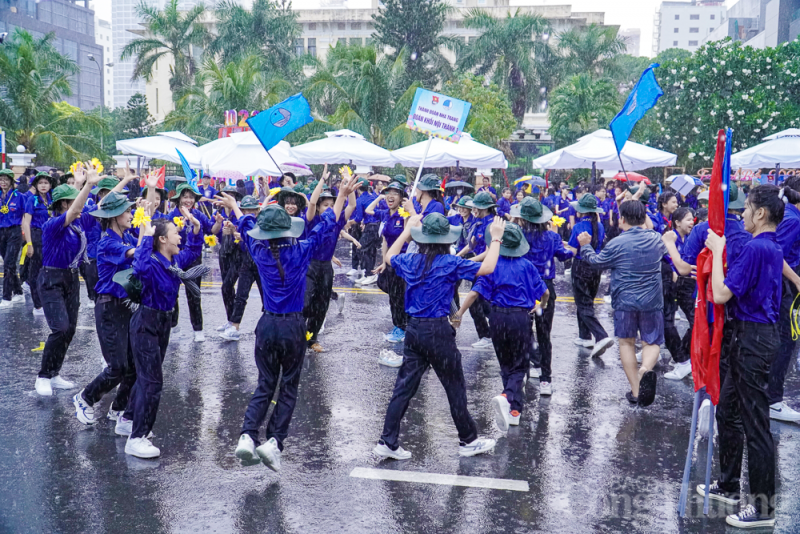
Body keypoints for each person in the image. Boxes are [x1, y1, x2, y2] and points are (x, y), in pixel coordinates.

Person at [219, 177, 358, 472]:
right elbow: (326, 225)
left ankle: (247, 434)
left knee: (265, 384)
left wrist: (233, 204)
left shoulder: (257, 249)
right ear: (288, 228)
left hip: (266, 325)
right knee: (289, 387)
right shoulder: (301, 250)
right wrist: (343, 195)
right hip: (293, 327)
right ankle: (274, 443)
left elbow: (245, 225)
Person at [373, 212, 505, 461]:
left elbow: (389, 257)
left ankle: (387, 441)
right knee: (454, 387)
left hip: (413, 330)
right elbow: (488, 267)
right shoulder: (449, 262)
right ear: (447, 239)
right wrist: (496, 239)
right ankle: (468, 440)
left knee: (403, 388)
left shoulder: (411, 260)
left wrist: (406, 231)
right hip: (437, 331)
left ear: (420, 239)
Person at [700, 184, 785, 529]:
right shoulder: (769, 247)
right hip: (751, 337)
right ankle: (729, 482)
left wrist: (719, 248)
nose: (743, 214)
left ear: (761, 213)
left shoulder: (756, 248)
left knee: (755, 424)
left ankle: (763, 508)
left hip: (753, 339)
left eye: (748, 208)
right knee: (729, 410)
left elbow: (720, 293)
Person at [120, 204, 206, 458]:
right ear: (162, 239)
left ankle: (127, 419)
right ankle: (137, 438)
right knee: (153, 382)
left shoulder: (174, 259)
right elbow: (140, 267)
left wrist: (197, 230)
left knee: (147, 377)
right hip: (146, 322)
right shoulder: (152, 262)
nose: (180, 236)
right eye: (175, 233)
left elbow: (193, 251)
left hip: (163, 324)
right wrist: (146, 236)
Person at [456, 223, 549, 430]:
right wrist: (541, 306)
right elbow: (545, 293)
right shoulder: (527, 266)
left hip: (497, 318)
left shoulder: (493, 265)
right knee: (520, 366)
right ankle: (508, 396)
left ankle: (514, 411)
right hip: (520, 318)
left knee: (506, 364)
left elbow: (474, 293)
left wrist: (459, 313)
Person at [578, 199, 666, 407]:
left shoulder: (616, 243)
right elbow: (652, 231)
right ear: (644, 218)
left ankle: (636, 390)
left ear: (622, 219)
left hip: (624, 301)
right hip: (651, 300)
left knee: (626, 342)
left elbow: (597, 263)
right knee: (651, 342)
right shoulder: (656, 239)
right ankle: (645, 368)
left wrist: (585, 246)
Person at [71, 190, 143, 425]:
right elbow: (139, 253)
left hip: (126, 307)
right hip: (109, 309)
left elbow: (140, 248)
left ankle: (119, 409)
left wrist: (146, 216)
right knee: (117, 367)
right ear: (114, 216)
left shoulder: (125, 238)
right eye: (128, 211)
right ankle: (85, 398)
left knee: (133, 365)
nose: (131, 215)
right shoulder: (107, 243)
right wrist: (148, 227)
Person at [34, 166, 103, 396]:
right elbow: (73, 210)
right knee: (60, 327)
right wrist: (87, 186)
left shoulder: (79, 223)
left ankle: (54, 374)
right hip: (51, 279)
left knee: (70, 330)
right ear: (63, 205)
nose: (80, 206)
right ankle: (43, 376)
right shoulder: (52, 225)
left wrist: (86, 185)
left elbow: (101, 208)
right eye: (72, 202)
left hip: (72, 279)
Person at [512, 197, 573, 395]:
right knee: (544, 334)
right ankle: (546, 379)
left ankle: (525, 372)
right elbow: (564, 256)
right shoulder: (551, 237)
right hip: (544, 288)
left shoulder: (518, 235)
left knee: (523, 332)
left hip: (522, 288)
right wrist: (574, 246)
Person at [303, 175, 357, 352]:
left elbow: (352, 205)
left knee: (322, 303)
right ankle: (298, 334)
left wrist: (349, 189)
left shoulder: (337, 220)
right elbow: (311, 204)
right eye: (325, 205)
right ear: (319, 208)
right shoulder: (312, 220)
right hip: (309, 264)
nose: (329, 208)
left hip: (326, 267)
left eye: (332, 205)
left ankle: (313, 339)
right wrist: (323, 181)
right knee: (306, 303)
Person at [567, 194, 614, 357]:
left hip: (581, 266)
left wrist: (559, 249)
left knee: (582, 303)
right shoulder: (599, 226)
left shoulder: (578, 227)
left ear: (581, 211)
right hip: (595, 266)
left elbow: (573, 251)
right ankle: (584, 336)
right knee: (588, 301)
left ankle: (601, 335)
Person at [366, 182, 409, 353]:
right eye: (388, 193)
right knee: (393, 295)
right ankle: (399, 326)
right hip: (390, 262)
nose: (390, 196)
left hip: (403, 262)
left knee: (399, 296)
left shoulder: (403, 214)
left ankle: (402, 327)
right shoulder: (385, 214)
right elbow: (384, 239)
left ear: (401, 197)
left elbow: (408, 239)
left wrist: (407, 214)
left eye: (395, 193)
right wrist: (384, 261)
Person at [167, 183, 213, 342]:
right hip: (175, 258)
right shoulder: (171, 215)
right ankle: (174, 326)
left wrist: (221, 223)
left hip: (194, 258)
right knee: (172, 294)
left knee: (194, 294)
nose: (188, 200)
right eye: (185, 196)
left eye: (191, 197)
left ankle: (198, 328)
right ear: (178, 198)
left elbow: (212, 229)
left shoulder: (198, 215)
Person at [455, 191, 497, 350]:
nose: (473, 210)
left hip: (487, 267)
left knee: (474, 302)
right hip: (477, 266)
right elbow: (470, 245)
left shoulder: (491, 224)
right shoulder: (478, 223)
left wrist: (468, 262)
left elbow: (488, 252)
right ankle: (495, 329)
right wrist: (458, 257)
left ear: (483, 208)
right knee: (482, 301)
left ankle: (486, 335)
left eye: (475, 208)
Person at [660, 207, 696, 380]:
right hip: (670, 284)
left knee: (696, 321)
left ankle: (683, 355)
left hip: (687, 285)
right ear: (677, 222)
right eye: (688, 219)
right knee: (666, 322)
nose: (692, 222)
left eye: (693, 219)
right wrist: (672, 270)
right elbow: (664, 259)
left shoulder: (690, 238)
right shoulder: (669, 238)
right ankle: (681, 359)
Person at [22, 172, 55, 315]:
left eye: (46, 183)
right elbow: (26, 222)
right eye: (40, 183)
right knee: (35, 272)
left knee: (50, 270)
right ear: (36, 185)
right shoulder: (32, 200)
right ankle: (38, 305)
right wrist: (29, 244)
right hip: (36, 236)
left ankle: (48, 301)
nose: (43, 185)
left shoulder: (52, 199)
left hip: (51, 237)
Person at [212, 185, 243, 333]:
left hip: (237, 254)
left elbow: (244, 232)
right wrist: (218, 223)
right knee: (227, 289)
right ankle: (230, 320)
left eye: (231, 196)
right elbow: (213, 232)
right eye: (226, 195)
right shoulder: (218, 213)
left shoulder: (239, 214)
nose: (228, 199)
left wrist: (233, 230)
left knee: (227, 286)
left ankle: (235, 322)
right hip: (223, 253)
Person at [0, 169, 25, 308]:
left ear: (11, 181)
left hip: (14, 232)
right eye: (1, 180)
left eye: (6, 179)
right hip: (1, 232)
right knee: (8, 263)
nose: (3, 182)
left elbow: (26, 215)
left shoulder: (18, 196)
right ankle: (19, 293)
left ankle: (6, 297)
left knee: (9, 264)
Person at [353, 178, 380, 286]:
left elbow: (358, 218)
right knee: (371, 250)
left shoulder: (360, 200)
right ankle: (368, 273)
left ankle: (369, 274)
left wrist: (349, 222)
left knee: (361, 248)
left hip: (370, 227)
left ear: (358, 188)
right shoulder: (373, 196)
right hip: (377, 226)